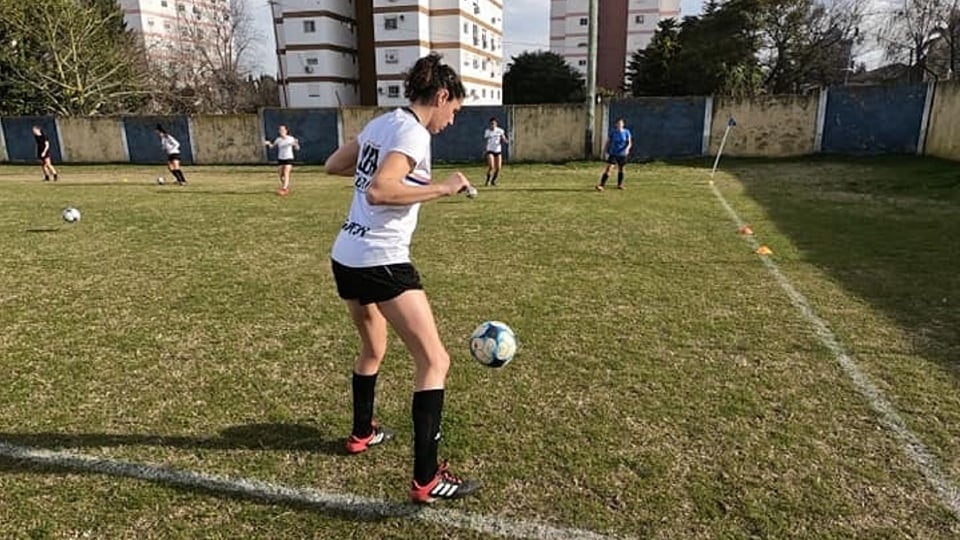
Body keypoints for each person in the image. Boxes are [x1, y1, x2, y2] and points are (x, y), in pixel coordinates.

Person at [324, 53, 480, 504]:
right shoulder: (412, 132)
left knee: (374, 348)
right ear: (442, 96)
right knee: (435, 361)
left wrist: (382, 170)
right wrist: (443, 188)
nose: (452, 121)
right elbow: (380, 189)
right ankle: (427, 479)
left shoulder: (383, 123)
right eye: (454, 111)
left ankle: (361, 433)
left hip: (347, 254)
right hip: (381, 259)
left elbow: (335, 163)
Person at [596, 117, 633, 191]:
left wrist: (627, 149)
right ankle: (601, 185)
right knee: (609, 168)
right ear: (616, 125)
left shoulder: (626, 132)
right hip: (613, 153)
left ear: (623, 124)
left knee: (621, 169)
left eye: (621, 123)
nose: (619, 125)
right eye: (618, 123)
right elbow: (608, 141)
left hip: (622, 154)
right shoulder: (613, 132)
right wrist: (605, 149)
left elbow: (629, 142)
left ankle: (620, 184)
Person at [263, 125, 300, 196]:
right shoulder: (278, 140)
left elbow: (297, 148)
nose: (281, 131)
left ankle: (284, 188)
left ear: (286, 131)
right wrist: (268, 144)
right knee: (281, 175)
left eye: (283, 130)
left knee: (286, 172)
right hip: (281, 158)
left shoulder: (291, 138)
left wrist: (296, 144)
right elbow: (272, 146)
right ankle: (285, 186)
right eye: (280, 130)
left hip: (289, 158)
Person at [482, 117, 508, 186]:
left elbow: (503, 137)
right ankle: (488, 181)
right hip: (490, 150)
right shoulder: (487, 131)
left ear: (496, 124)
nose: (492, 125)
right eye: (491, 124)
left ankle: (493, 181)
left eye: (493, 124)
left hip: (498, 151)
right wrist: (485, 150)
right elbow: (485, 141)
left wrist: (505, 140)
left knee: (498, 168)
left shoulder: (500, 130)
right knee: (491, 166)